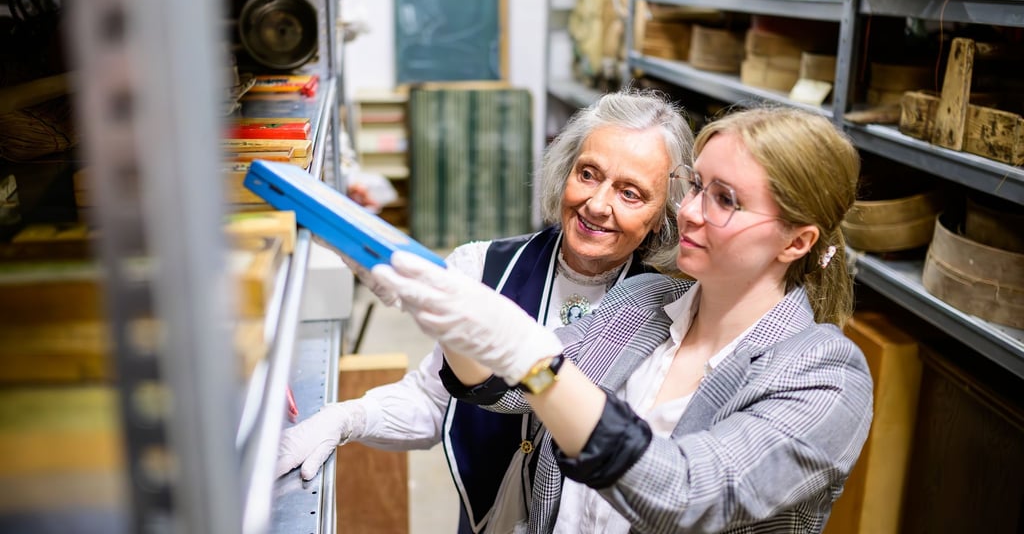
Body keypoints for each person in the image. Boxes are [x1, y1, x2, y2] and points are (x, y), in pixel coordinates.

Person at [373, 106, 874, 533]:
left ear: (796, 241)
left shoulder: (825, 376)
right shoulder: (645, 300)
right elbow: (512, 390)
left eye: (726, 199)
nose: (691, 212)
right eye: (696, 186)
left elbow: (685, 493)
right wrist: (445, 312)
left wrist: (530, 354)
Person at [275, 89, 695, 533]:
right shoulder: (483, 268)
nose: (596, 205)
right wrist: (346, 417)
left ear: (662, 215)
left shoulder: (671, 310)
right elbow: (436, 401)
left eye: (631, 193)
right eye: (588, 174)